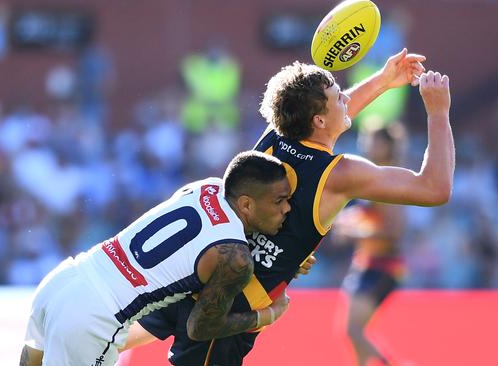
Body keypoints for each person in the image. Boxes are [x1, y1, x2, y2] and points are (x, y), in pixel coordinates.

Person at [125, 48, 455, 365]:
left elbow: (324, 119)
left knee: (115, 339)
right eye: (338, 94)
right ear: (319, 120)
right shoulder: (339, 174)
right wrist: (438, 111)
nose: (346, 98)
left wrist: (384, 80)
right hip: (229, 305)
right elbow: (434, 188)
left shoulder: (275, 135)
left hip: (196, 267)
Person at [20, 151, 295, 366]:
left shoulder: (206, 187)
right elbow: (201, 327)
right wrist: (266, 315)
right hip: (94, 317)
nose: (287, 208)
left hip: (64, 279)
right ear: (246, 204)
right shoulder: (236, 259)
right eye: (279, 200)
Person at [334, 123, 408, 365]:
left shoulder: (389, 179)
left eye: (375, 140)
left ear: (389, 146)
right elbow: (370, 215)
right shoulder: (373, 176)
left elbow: (393, 230)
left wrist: (354, 233)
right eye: (367, 139)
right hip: (366, 265)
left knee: (352, 332)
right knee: (354, 334)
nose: (368, 145)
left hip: (382, 266)